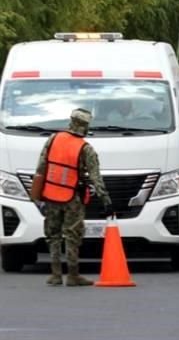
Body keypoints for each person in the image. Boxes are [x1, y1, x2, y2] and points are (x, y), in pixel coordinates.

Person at [33, 108, 111, 286]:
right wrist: (106, 201)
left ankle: (55, 274)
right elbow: (95, 178)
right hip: (72, 198)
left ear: (70, 122)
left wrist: (36, 195)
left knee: (53, 235)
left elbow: (41, 168)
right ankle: (73, 275)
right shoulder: (85, 148)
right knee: (72, 235)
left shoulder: (53, 139)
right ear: (85, 126)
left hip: (50, 194)